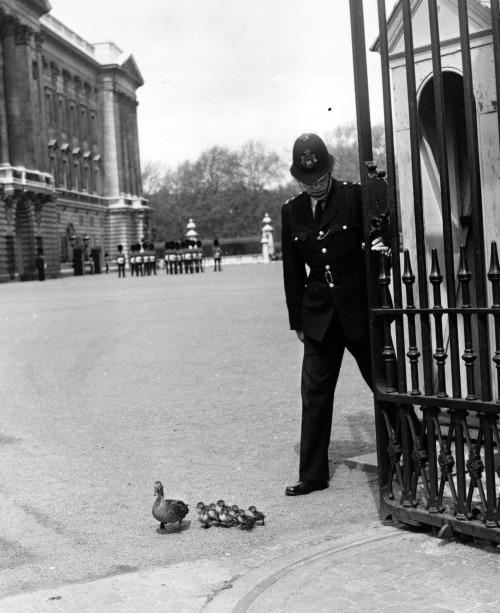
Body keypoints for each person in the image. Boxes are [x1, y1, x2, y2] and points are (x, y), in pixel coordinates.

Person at [281, 132, 390, 497]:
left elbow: (385, 228)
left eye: (319, 179)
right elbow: (293, 272)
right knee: (313, 395)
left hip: (359, 309)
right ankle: (312, 476)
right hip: (319, 316)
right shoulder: (291, 211)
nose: (313, 186)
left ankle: (413, 452)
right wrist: (298, 321)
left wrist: (383, 242)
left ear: (330, 169)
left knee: (383, 385)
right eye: (305, 181)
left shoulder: (355, 196)